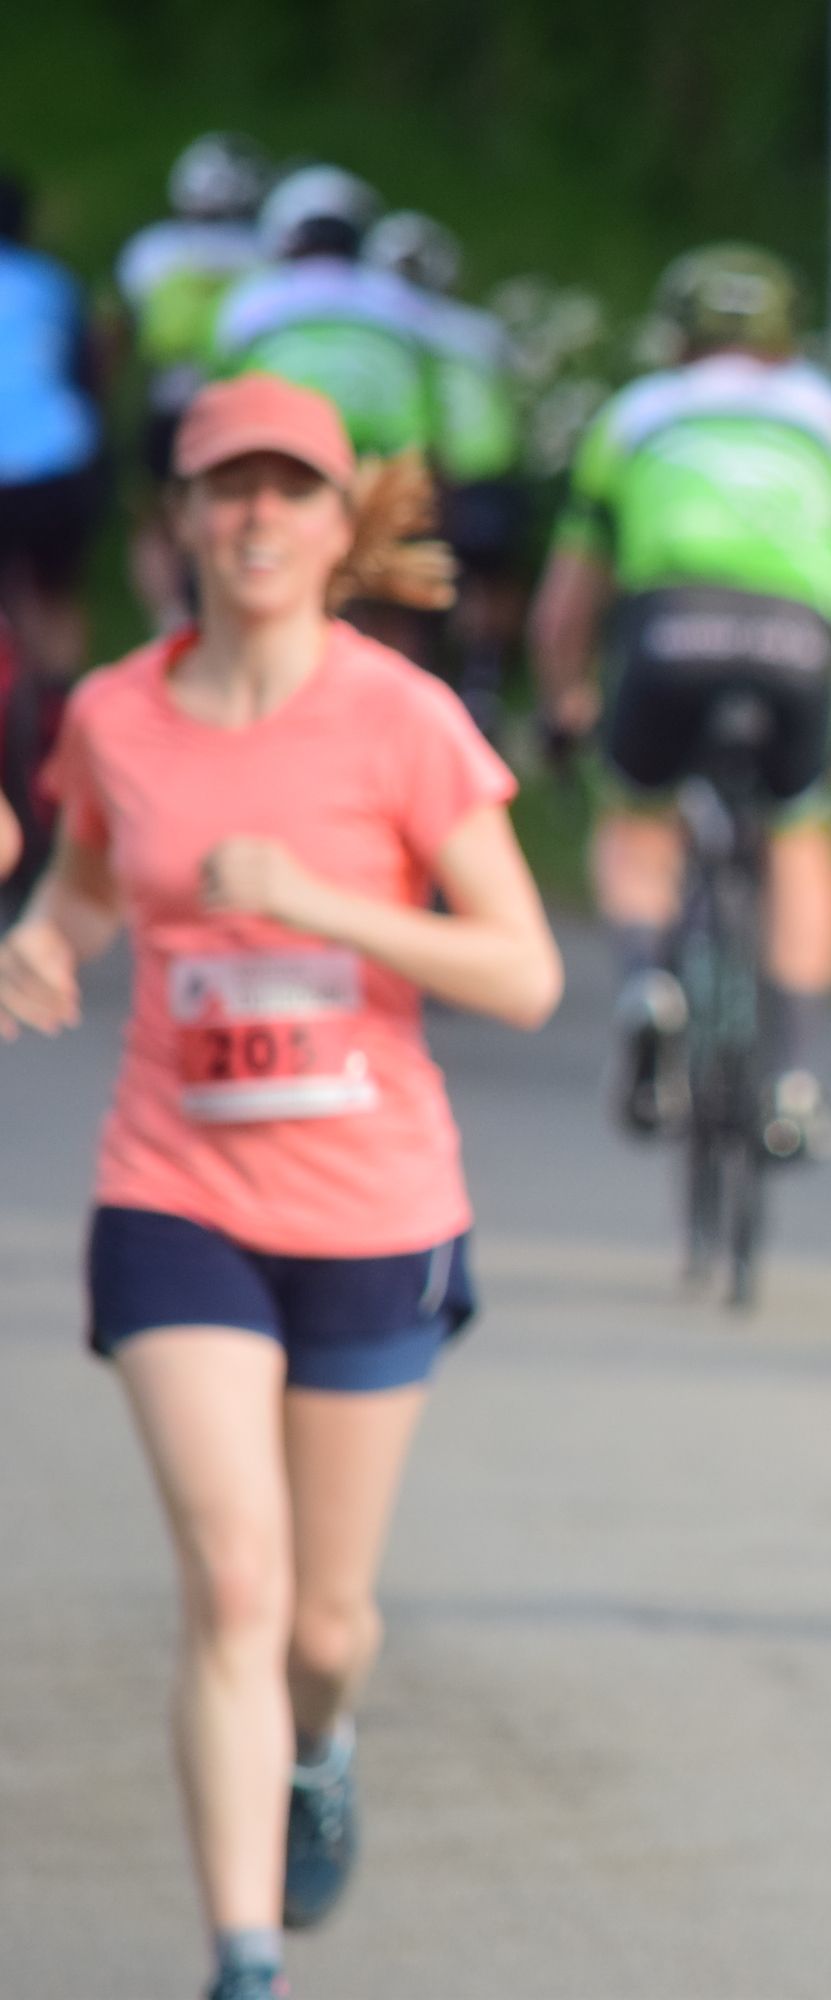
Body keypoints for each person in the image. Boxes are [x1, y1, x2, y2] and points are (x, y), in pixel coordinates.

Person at [0, 373, 561, 2000]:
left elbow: (522, 972)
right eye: (225, 486)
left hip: (373, 1204)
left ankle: (321, 1741)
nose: (256, 515)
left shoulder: (403, 719)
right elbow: (89, 886)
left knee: (322, 1624)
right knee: (232, 1581)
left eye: (289, 488)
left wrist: (322, 902)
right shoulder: (117, 712)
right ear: (178, 519)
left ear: (337, 525)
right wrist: (41, 943)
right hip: (173, 1190)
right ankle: (243, 1962)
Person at [529, 243, 831, 1159]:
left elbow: (566, 605)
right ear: (787, 338)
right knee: (801, 833)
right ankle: (796, 1075)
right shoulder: (829, 416)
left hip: (671, 627)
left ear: (676, 338)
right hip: (797, 639)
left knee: (638, 817)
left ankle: (646, 983)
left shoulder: (635, 413)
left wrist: (565, 699)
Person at [213, 165, 449, 670]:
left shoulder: (253, 301)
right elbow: (432, 406)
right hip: (387, 461)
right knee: (391, 598)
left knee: (294, 592)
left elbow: (220, 404)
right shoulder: (401, 304)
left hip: (292, 460)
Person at [369, 210, 524, 734]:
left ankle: (399, 691)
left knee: (401, 583)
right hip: (490, 468)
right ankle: (484, 680)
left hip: (422, 467)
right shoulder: (481, 329)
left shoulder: (383, 326)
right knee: (488, 575)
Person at [0, 168, 107, 909]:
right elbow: (85, 374)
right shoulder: (52, 283)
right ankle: (59, 720)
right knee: (51, 612)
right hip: (56, 465)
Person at [118, 134, 271, 630]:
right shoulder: (266, 253)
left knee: (156, 517)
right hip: (239, 411)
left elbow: (130, 330)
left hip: (171, 405)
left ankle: (168, 617)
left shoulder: (153, 251)